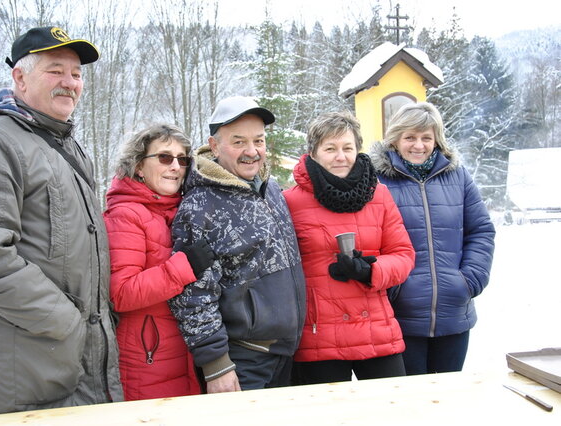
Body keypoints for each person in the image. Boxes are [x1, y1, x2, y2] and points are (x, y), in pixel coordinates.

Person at [0, 26, 123, 416]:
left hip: (81, 365)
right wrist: (69, 325)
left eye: (76, 74)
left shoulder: (67, 146)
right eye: (55, 70)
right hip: (26, 374)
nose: (69, 83)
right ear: (19, 77)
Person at [168, 96, 306, 393]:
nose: (252, 151)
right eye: (239, 142)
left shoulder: (270, 190)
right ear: (214, 146)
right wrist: (216, 364)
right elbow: (192, 294)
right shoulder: (200, 207)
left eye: (259, 140)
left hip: (285, 354)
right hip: (242, 360)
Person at [283, 111, 415, 384]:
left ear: (358, 149)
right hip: (319, 336)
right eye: (330, 149)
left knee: (392, 411)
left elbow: (403, 255)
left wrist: (371, 271)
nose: (340, 156)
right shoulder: (289, 201)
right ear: (314, 153)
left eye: (347, 148)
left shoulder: (378, 194)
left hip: (376, 329)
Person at [370, 102, 495, 375]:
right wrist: (394, 289)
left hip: (454, 312)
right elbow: (367, 236)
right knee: (412, 404)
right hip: (402, 313)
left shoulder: (457, 176)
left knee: (448, 399)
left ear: (437, 139)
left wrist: (469, 280)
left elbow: (481, 229)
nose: (419, 145)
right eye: (410, 137)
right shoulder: (376, 180)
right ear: (395, 139)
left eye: (426, 137)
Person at [103, 124, 215, 400]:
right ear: (139, 166)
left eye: (182, 159)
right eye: (164, 157)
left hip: (186, 352)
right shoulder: (126, 215)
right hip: (147, 355)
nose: (175, 166)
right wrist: (184, 267)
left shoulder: (183, 210)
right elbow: (121, 293)